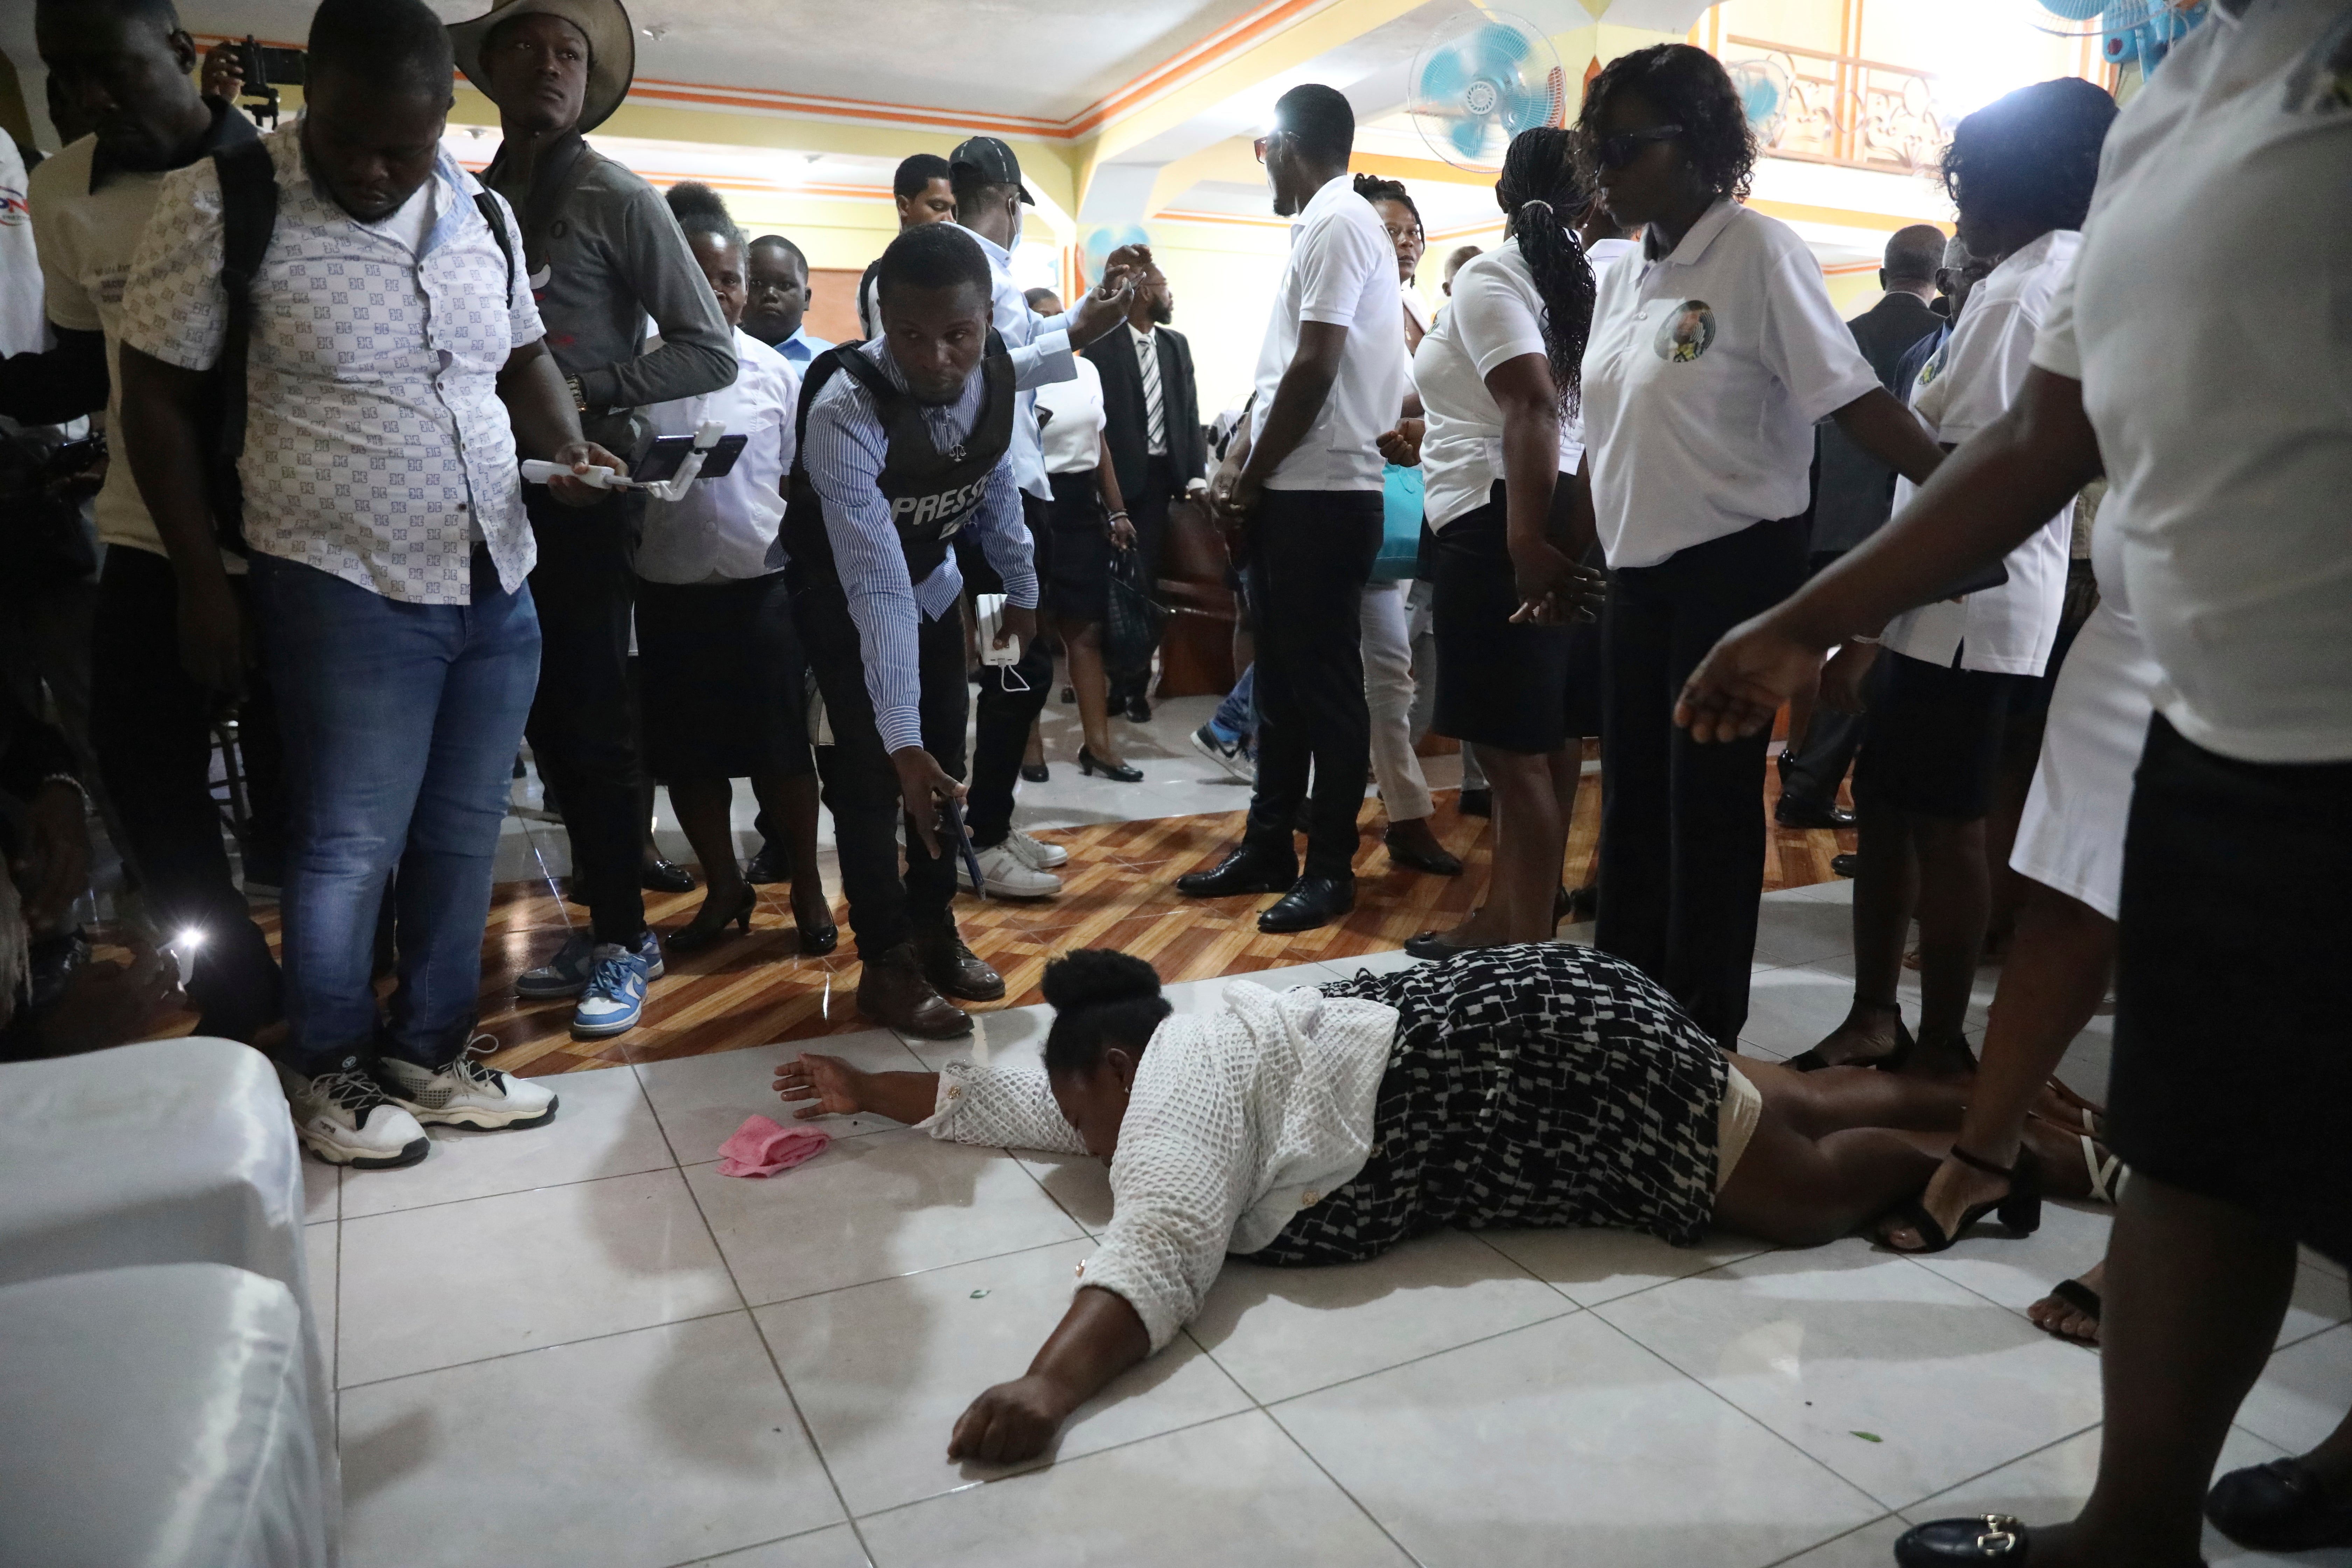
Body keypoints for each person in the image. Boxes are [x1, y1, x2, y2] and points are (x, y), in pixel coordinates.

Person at [1676, 4, 2350, 1561]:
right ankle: (2128, 1532)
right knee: (2192, 1141)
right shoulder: (2187, 87)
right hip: (2216, 705)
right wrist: (1804, 619)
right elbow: (2046, 433)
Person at [773, 942, 2119, 1465]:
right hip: (1538, 1004)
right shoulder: (1178, 1035)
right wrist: (870, 1090)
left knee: (1804, 1193)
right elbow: (1017, 1103)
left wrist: (1047, 1387)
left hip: (1546, 1059)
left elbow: (1162, 1240)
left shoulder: (1174, 1085)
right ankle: (1999, 1106)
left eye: (1091, 1116)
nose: (1087, 1144)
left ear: (1119, 1067)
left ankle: (2035, 1161)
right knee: (1796, 1102)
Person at [117, 0, 621, 1166]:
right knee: (347, 845)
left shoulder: (485, 215)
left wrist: (571, 449)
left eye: (403, 144)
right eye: (348, 138)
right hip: (340, 576)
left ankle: (429, 1051)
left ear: (446, 114)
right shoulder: (224, 202)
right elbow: (156, 400)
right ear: (314, 101)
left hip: (495, 573)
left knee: (461, 835)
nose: (373, 169)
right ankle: (328, 1064)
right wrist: (200, 579)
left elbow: (524, 360)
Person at [1559, 43, 1945, 1054]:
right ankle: (1627, 1019)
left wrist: (1959, 500)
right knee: (1632, 804)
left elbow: (1852, 399)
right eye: (1597, 149)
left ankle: (1701, 1034)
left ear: (1697, 146)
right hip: (1637, 577)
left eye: (1626, 146)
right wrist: (1569, 552)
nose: (1605, 169)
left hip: (1732, 569)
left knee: (1707, 809)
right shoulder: (1626, 272)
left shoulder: (1759, 252)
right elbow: (1609, 432)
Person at [1796, 79, 2117, 1079]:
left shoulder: (2024, 292)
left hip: (1962, 601)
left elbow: (1966, 479)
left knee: (1944, 828)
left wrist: (1866, 623)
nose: (1959, 201)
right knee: (1897, 809)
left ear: (2017, 181)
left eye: (1969, 180)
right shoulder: (2037, 275)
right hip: (1956, 598)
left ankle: (1937, 1047)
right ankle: (1879, 1020)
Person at [1, 0, 286, 1045]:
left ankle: (350, 985)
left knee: (307, 789)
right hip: (145, 530)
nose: (85, 98)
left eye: (108, 69)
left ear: (177, 52)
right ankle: (244, 994)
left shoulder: (285, 171)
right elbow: (89, 368)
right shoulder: (61, 189)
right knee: (143, 777)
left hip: (289, 536)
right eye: (62, 76)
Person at [454, 0, 738, 1040]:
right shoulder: (468, 199)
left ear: (590, 80)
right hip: (483, 490)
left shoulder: (618, 197)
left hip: (579, 488)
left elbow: (709, 349)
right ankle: (599, 919)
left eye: (569, 52)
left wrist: (586, 390)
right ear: (489, 69)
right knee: (535, 721)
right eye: (527, 47)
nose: (549, 64)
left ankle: (624, 937)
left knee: (592, 716)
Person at [782, 223, 1036, 1038]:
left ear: (987, 317)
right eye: (911, 336)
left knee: (944, 766)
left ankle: (934, 928)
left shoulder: (995, 376)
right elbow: (875, 586)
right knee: (870, 779)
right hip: (843, 604)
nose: (937, 358)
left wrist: (1023, 589)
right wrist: (901, 738)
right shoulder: (844, 409)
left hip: (934, 590)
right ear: (880, 319)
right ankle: (886, 961)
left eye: (959, 334)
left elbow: (995, 486)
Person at [1179, 84, 1404, 934]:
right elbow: (1282, 375)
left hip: (1325, 491)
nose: (1263, 164)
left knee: (1326, 690)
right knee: (1278, 686)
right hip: (1294, 488)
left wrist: (1252, 471)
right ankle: (1268, 844)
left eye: (1263, 149)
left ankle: (1332, 868)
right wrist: (1243, 461)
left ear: (1287, 145)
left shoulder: (1341, 223)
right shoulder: (1319, 225)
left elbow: (1316, 367)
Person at [1403, 126, 1605, 958]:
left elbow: (1531, 406)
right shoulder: (1582, 281)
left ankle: (1526, 953)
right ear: (1592, 202)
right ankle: (1514, 918)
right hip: (1564, 508)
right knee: (1545, 740)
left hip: (1500, 519)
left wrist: (1524, 541)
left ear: (1502, 195)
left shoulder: (1493, 275)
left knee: (1508, 751)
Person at [630, 183, 836, 957]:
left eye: (730, 278)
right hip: (670, 589)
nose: (718, 291)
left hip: (762, 591)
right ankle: (724, 884)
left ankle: (808, 886)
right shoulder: (639, 370)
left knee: (783, 754)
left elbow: (794, 478)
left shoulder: (776, 374)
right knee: (689, 758)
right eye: (701, 276)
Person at [945, 135, 1139, 900]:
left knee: (1018, 666)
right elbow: (983, 372)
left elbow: (1023, 352)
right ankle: (984, 835)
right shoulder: (966, 269)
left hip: (1020, 493)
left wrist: (1084, 319)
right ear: (1009, 199)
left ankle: (994, 821)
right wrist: (1082, 332)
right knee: (1012, 667)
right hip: (994, 501)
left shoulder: (990, 272)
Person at [1773, 222, 1948, 830]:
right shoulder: (1944, 340)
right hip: (1896, 527)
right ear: (1941, 279)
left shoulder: (1840, 336)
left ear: (1880, 275)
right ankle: (1821, 785)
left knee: (1812, 650)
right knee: (1873, 662)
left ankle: (1797, 761)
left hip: (1826, 520)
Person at [1352, 172, 1461, 880]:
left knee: (1393, 674)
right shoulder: (1354, 304)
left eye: (1412, 231)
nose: (1405, 242)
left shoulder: (1416, 306)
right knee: (1376, 674)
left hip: (1410, 506)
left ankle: (1403, 815)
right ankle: (1399, 815)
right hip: (1353, 501)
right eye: (1389, 230)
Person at [1082, 253, 1207, 723]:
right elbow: (1095, 421)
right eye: (1165, 285)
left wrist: (1195, 475)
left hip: (1160, 484)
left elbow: (1189, 412)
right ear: (1146, 292)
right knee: (1112, 584)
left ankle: (1134, 685)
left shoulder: (1175, 346)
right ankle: (1113, 680)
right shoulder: (1101, 346)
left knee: (1145, 582)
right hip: (1113, 482)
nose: (1171, 294)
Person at [1027, 285, 1142, 782]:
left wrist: (1117, 511)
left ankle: (1098, 746)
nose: (1059, 326)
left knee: (1087, 631)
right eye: (1044, 318)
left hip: (1078, 508)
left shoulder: (1087, 370)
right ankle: (1028, 745)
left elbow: (1100, 444)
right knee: (1026, 634)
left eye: (1062, 316)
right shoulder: (1017, 376)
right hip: (1029, 503)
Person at [856, 153, 958, 342]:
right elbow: (891, 356)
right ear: (904, 206)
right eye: (938, 207)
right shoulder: (888, 277)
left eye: (954, 210)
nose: (950, 220)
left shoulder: (952, 270)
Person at [741, 232, 831, 366]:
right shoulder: (718, 359)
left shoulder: (832, 363)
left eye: (785, 285)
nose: (770, 294)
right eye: (757, 284)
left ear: (806, 299)